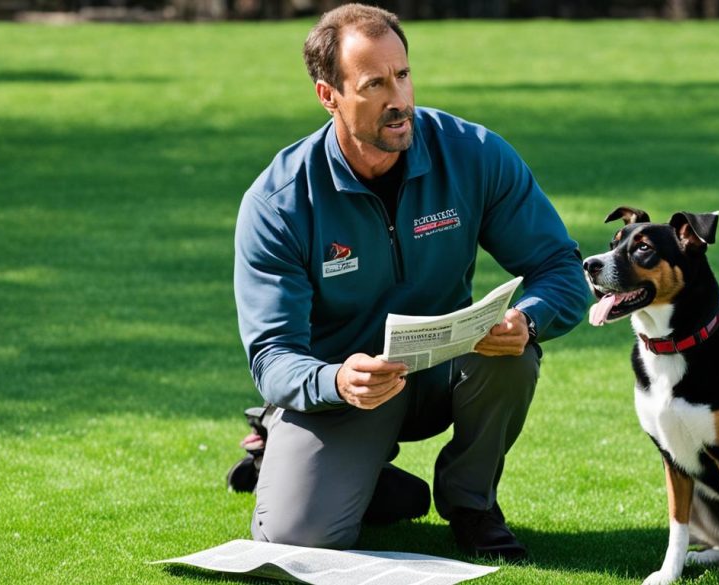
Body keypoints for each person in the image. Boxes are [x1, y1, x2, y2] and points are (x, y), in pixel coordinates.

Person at [233, 3, 590, 563]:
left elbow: (561, 270)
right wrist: (335, 381)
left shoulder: (473, 155)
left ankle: (471, 505)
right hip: (349, 390)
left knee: (514, 355)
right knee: (299, 537)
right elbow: (272, 355)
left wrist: (529, 317)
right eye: (374, 83)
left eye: (402, 74)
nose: (399, 99)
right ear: (329, 96)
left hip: (449, 368)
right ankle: (299, 455)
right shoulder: (279, 204)